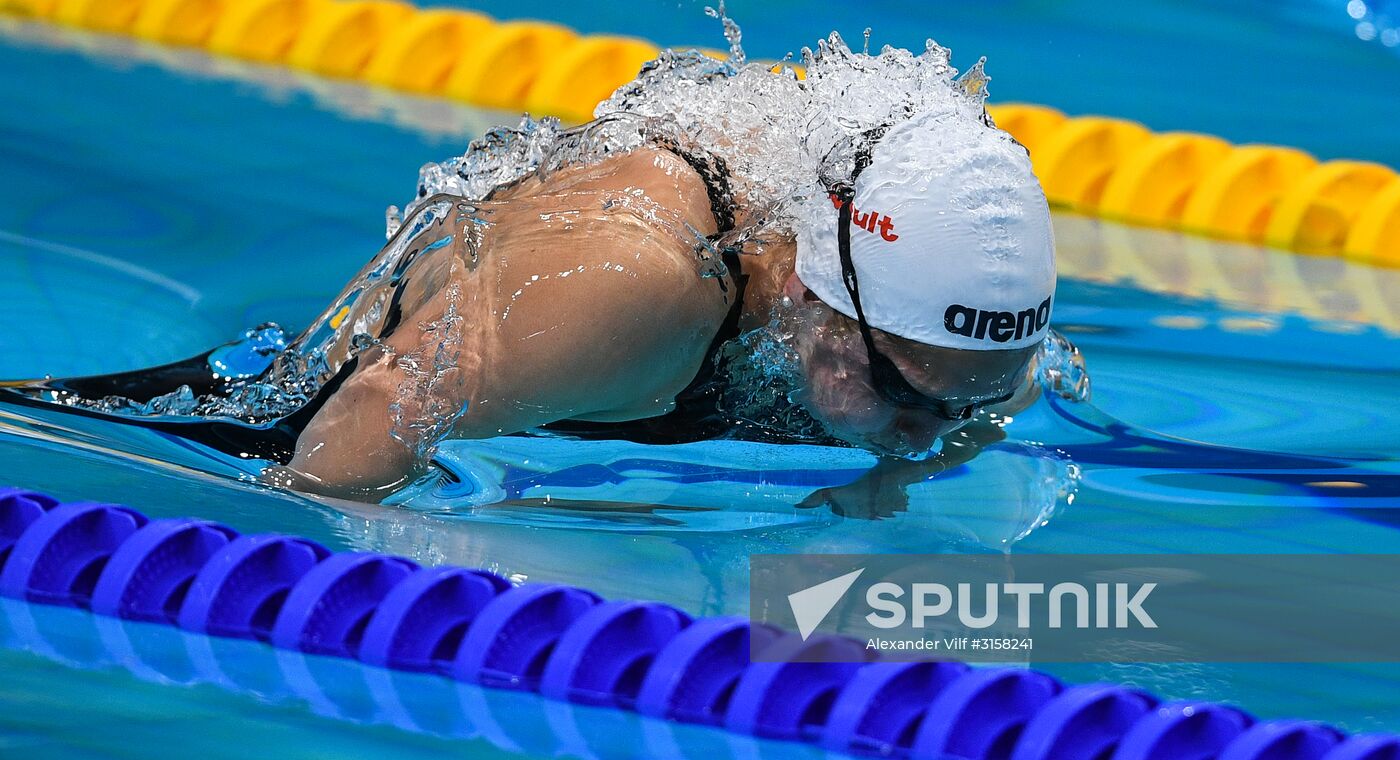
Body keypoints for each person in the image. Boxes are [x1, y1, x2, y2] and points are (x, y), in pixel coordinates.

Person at [1, 48, 1057, 505]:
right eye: (906, 395)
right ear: (820, 298)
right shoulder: (634, 284)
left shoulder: (941, 331)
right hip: (250, 427)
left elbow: (974, 404)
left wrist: (884, 481)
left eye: (967, 397)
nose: (932, 431)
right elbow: (361, 428)